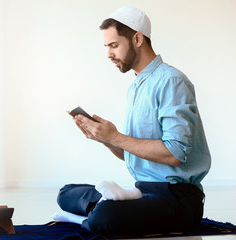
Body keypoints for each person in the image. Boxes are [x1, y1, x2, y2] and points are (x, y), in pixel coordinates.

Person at [54, 6, 211, 235]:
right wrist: (104, 139)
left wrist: (115, 136)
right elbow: (133, 152)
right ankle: (112, 204)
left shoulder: (172, 81)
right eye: (106, 47)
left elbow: (175, 154)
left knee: (105, 217)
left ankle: (89, 216)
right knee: (66, 193)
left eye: (114, 45)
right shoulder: (136, 86)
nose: (108, 54)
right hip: (142, 191)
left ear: (137, 38)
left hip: (177, 198)